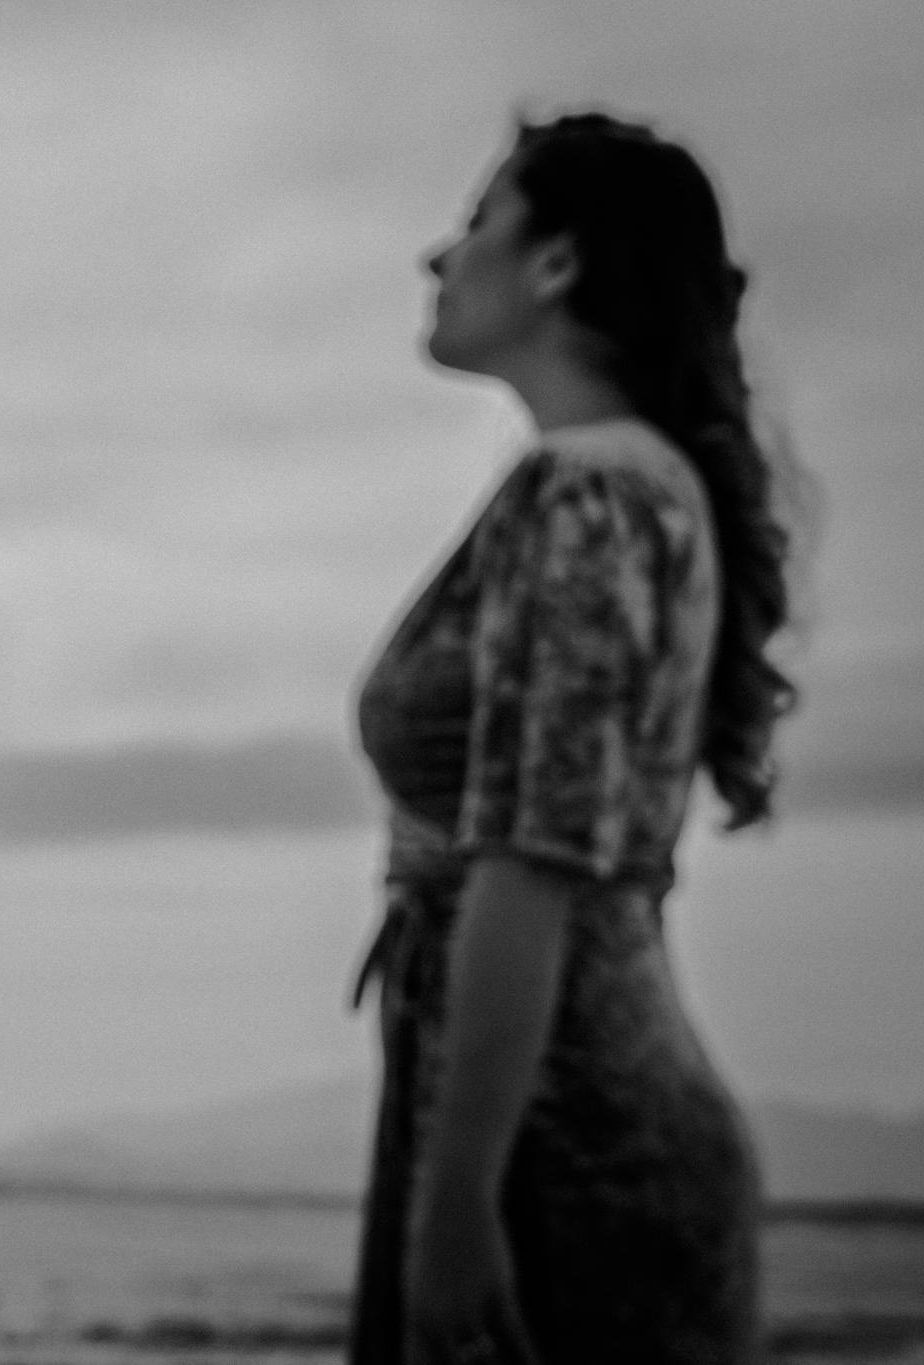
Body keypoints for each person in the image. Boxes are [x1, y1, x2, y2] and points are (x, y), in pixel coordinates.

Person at [349, 112, 794, 1364]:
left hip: (564, 1152)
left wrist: (452, 1211)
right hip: (541, 1123)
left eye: (479, 218)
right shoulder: (635, 484)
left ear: (555, 263)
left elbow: (530, 860)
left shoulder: (591, 492)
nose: (438, 256)